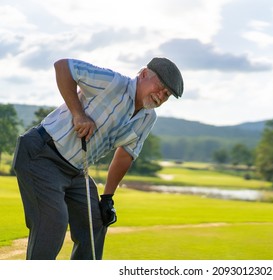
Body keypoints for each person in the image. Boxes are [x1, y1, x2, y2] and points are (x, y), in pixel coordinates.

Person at [12, 57, 184, 260]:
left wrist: (107, 198)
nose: (161, 96)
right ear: (144, 74)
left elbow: (125, 155)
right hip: (41, 154)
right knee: (52, 222)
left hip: (76, 171)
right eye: (161, 87)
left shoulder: (148, 118)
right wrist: (78, 114)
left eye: (167, 95)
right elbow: (63, 66)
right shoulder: (113, 82)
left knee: (95, 221)